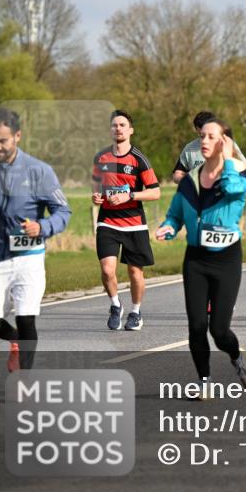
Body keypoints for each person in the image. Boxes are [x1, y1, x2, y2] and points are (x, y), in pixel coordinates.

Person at [156, 119, 246, 393]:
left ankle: (236, 357)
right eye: (202, 136)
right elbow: (176, 213)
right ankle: (204, 382)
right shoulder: (190, 181)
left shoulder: (238, 174)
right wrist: (169, 226)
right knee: (197, 326)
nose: (203, 141)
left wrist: (225, 159)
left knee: (220, 330)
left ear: (224, 142)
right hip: (196, 260)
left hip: (226, 259)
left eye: (211, 137)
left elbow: (232, 190)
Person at [0, 109, 72, 372]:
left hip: (28, 256)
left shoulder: (39, 171)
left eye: (3, 140)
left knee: (26, 319)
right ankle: (17, 341)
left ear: (17, 136)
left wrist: (43, 226)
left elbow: (63, 211)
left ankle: (24, 379)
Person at [92, 110, 161, 331]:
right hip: (107, 221)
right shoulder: (101, 158)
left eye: (122, 125)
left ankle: (136, 311)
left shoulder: (139, 159)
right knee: (107, 270)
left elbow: (155, 192)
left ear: (130, 130)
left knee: (135, 272)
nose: (118, 129)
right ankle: (115, 305)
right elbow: (97, 190)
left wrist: (129, 195)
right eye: (114, 125)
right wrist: (96, 197)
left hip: (134, 223)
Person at [172, 111, 246, 182]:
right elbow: (177, 174)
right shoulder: (189, 148)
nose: (205, 140)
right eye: (203, 134)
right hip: (197, 196)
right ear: (197, 129)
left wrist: (229, 177)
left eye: (211, 135)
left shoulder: (227, 144)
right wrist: (190, 182)